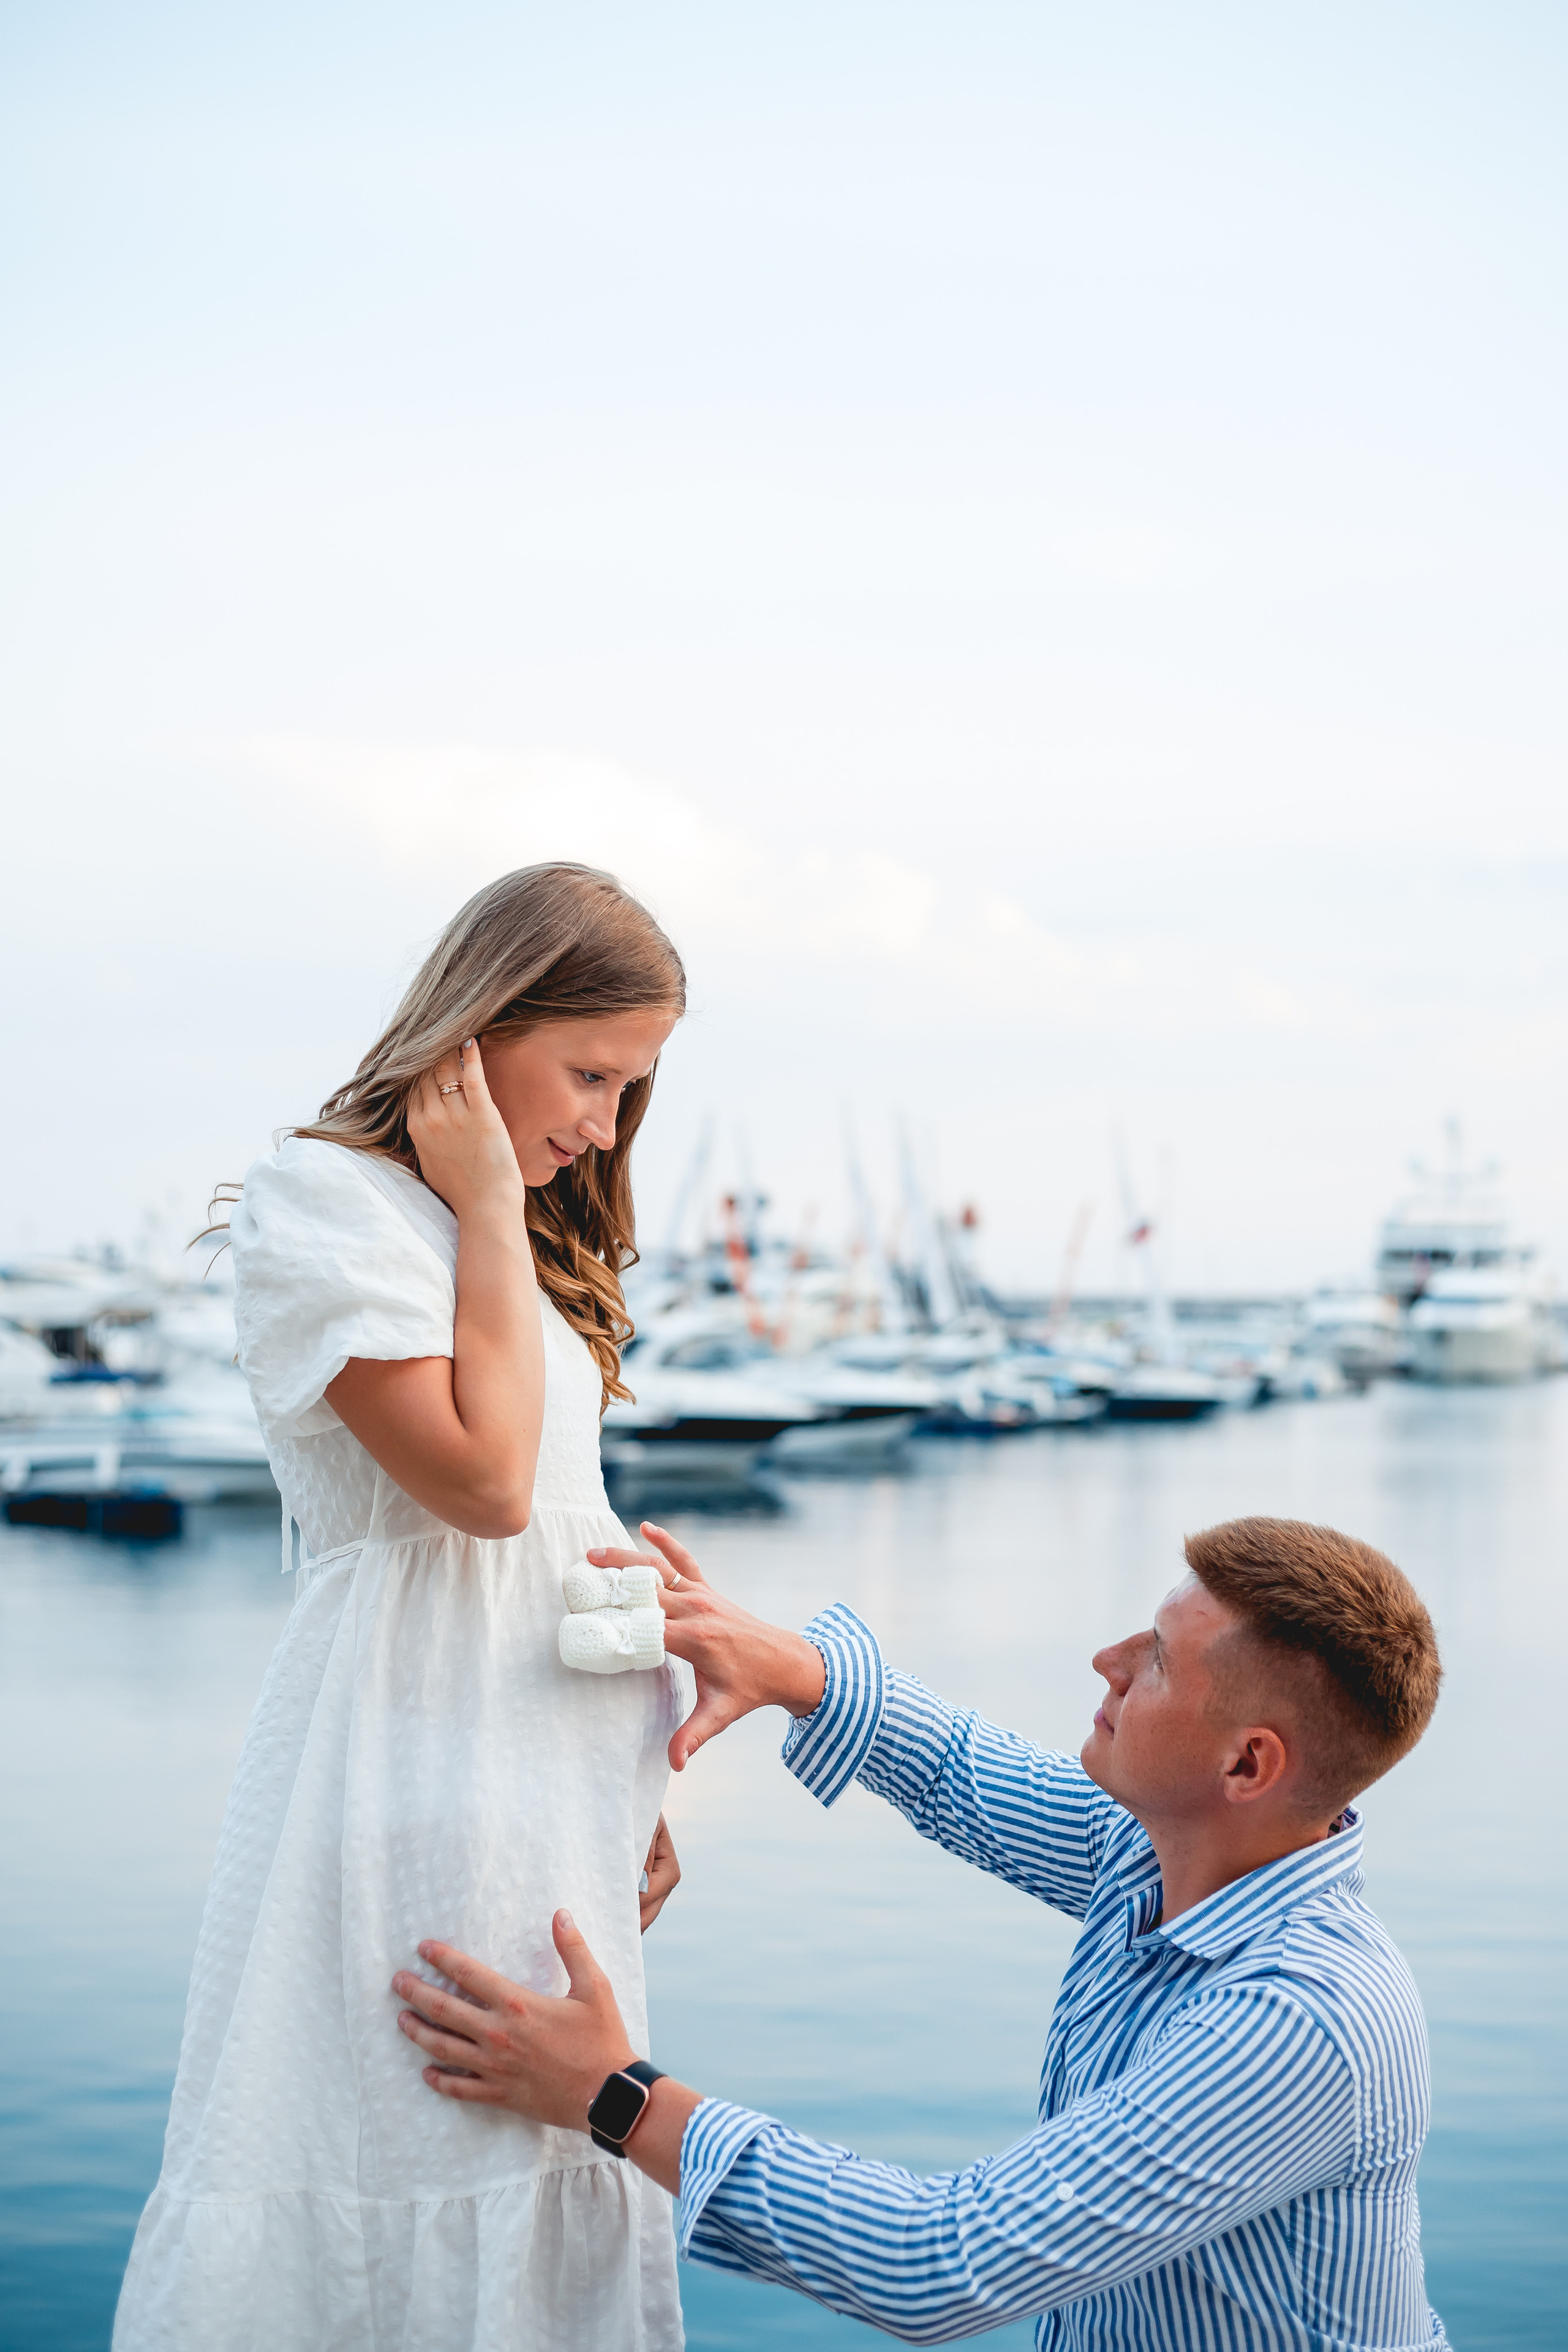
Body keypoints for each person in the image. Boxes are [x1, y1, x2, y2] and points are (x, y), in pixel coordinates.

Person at [391, 1514, 1451, 2350]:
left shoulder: (1304, 2025)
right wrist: (784, 1666)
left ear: (1246, 1767)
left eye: (1160, 1662)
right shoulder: (1169, 1851)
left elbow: (938, 2262)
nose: (1107, 1660)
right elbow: (960, 1773)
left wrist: (612, 2094)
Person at [115, 864, 694, 2351]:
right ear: (479, 1024)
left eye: (631, 1091)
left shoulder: (525, 1248)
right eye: (589, 1073)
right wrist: (490, 1205)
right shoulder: (332, 1200)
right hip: (414, 1772)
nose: (605, 1126)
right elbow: (486, 1490)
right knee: (403, 2153)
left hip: (541, 1789)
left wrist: (633, 1769)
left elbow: (557, 1536)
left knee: (541, 2152)